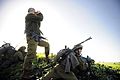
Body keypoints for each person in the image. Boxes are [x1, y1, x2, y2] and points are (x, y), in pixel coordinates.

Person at [23, 8, 50, 80]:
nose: (34, 11)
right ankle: (26, 73)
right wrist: (40, 13)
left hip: (37, 38)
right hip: (31, 37)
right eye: (33, 10)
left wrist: (37, 16)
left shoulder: (33, 19)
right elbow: (40, 18)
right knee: (31, 53)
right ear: (30, 11)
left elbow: (39, 22)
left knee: (47, 45)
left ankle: (47, 58)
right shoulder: (29, 16)